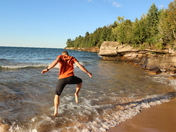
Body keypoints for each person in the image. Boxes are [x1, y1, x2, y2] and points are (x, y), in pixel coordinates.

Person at [41, 51, 92, 116]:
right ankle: (76, 94)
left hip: (62, 79)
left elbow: (55, 62)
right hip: (71, 78)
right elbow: (80, 66)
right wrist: (88, 72)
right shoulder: (72, 58)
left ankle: (56, 110)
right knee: (80, 81)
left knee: (57, 95)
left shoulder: (60, 57)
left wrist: (47, 69)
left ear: (63, 54)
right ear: (68, 54)